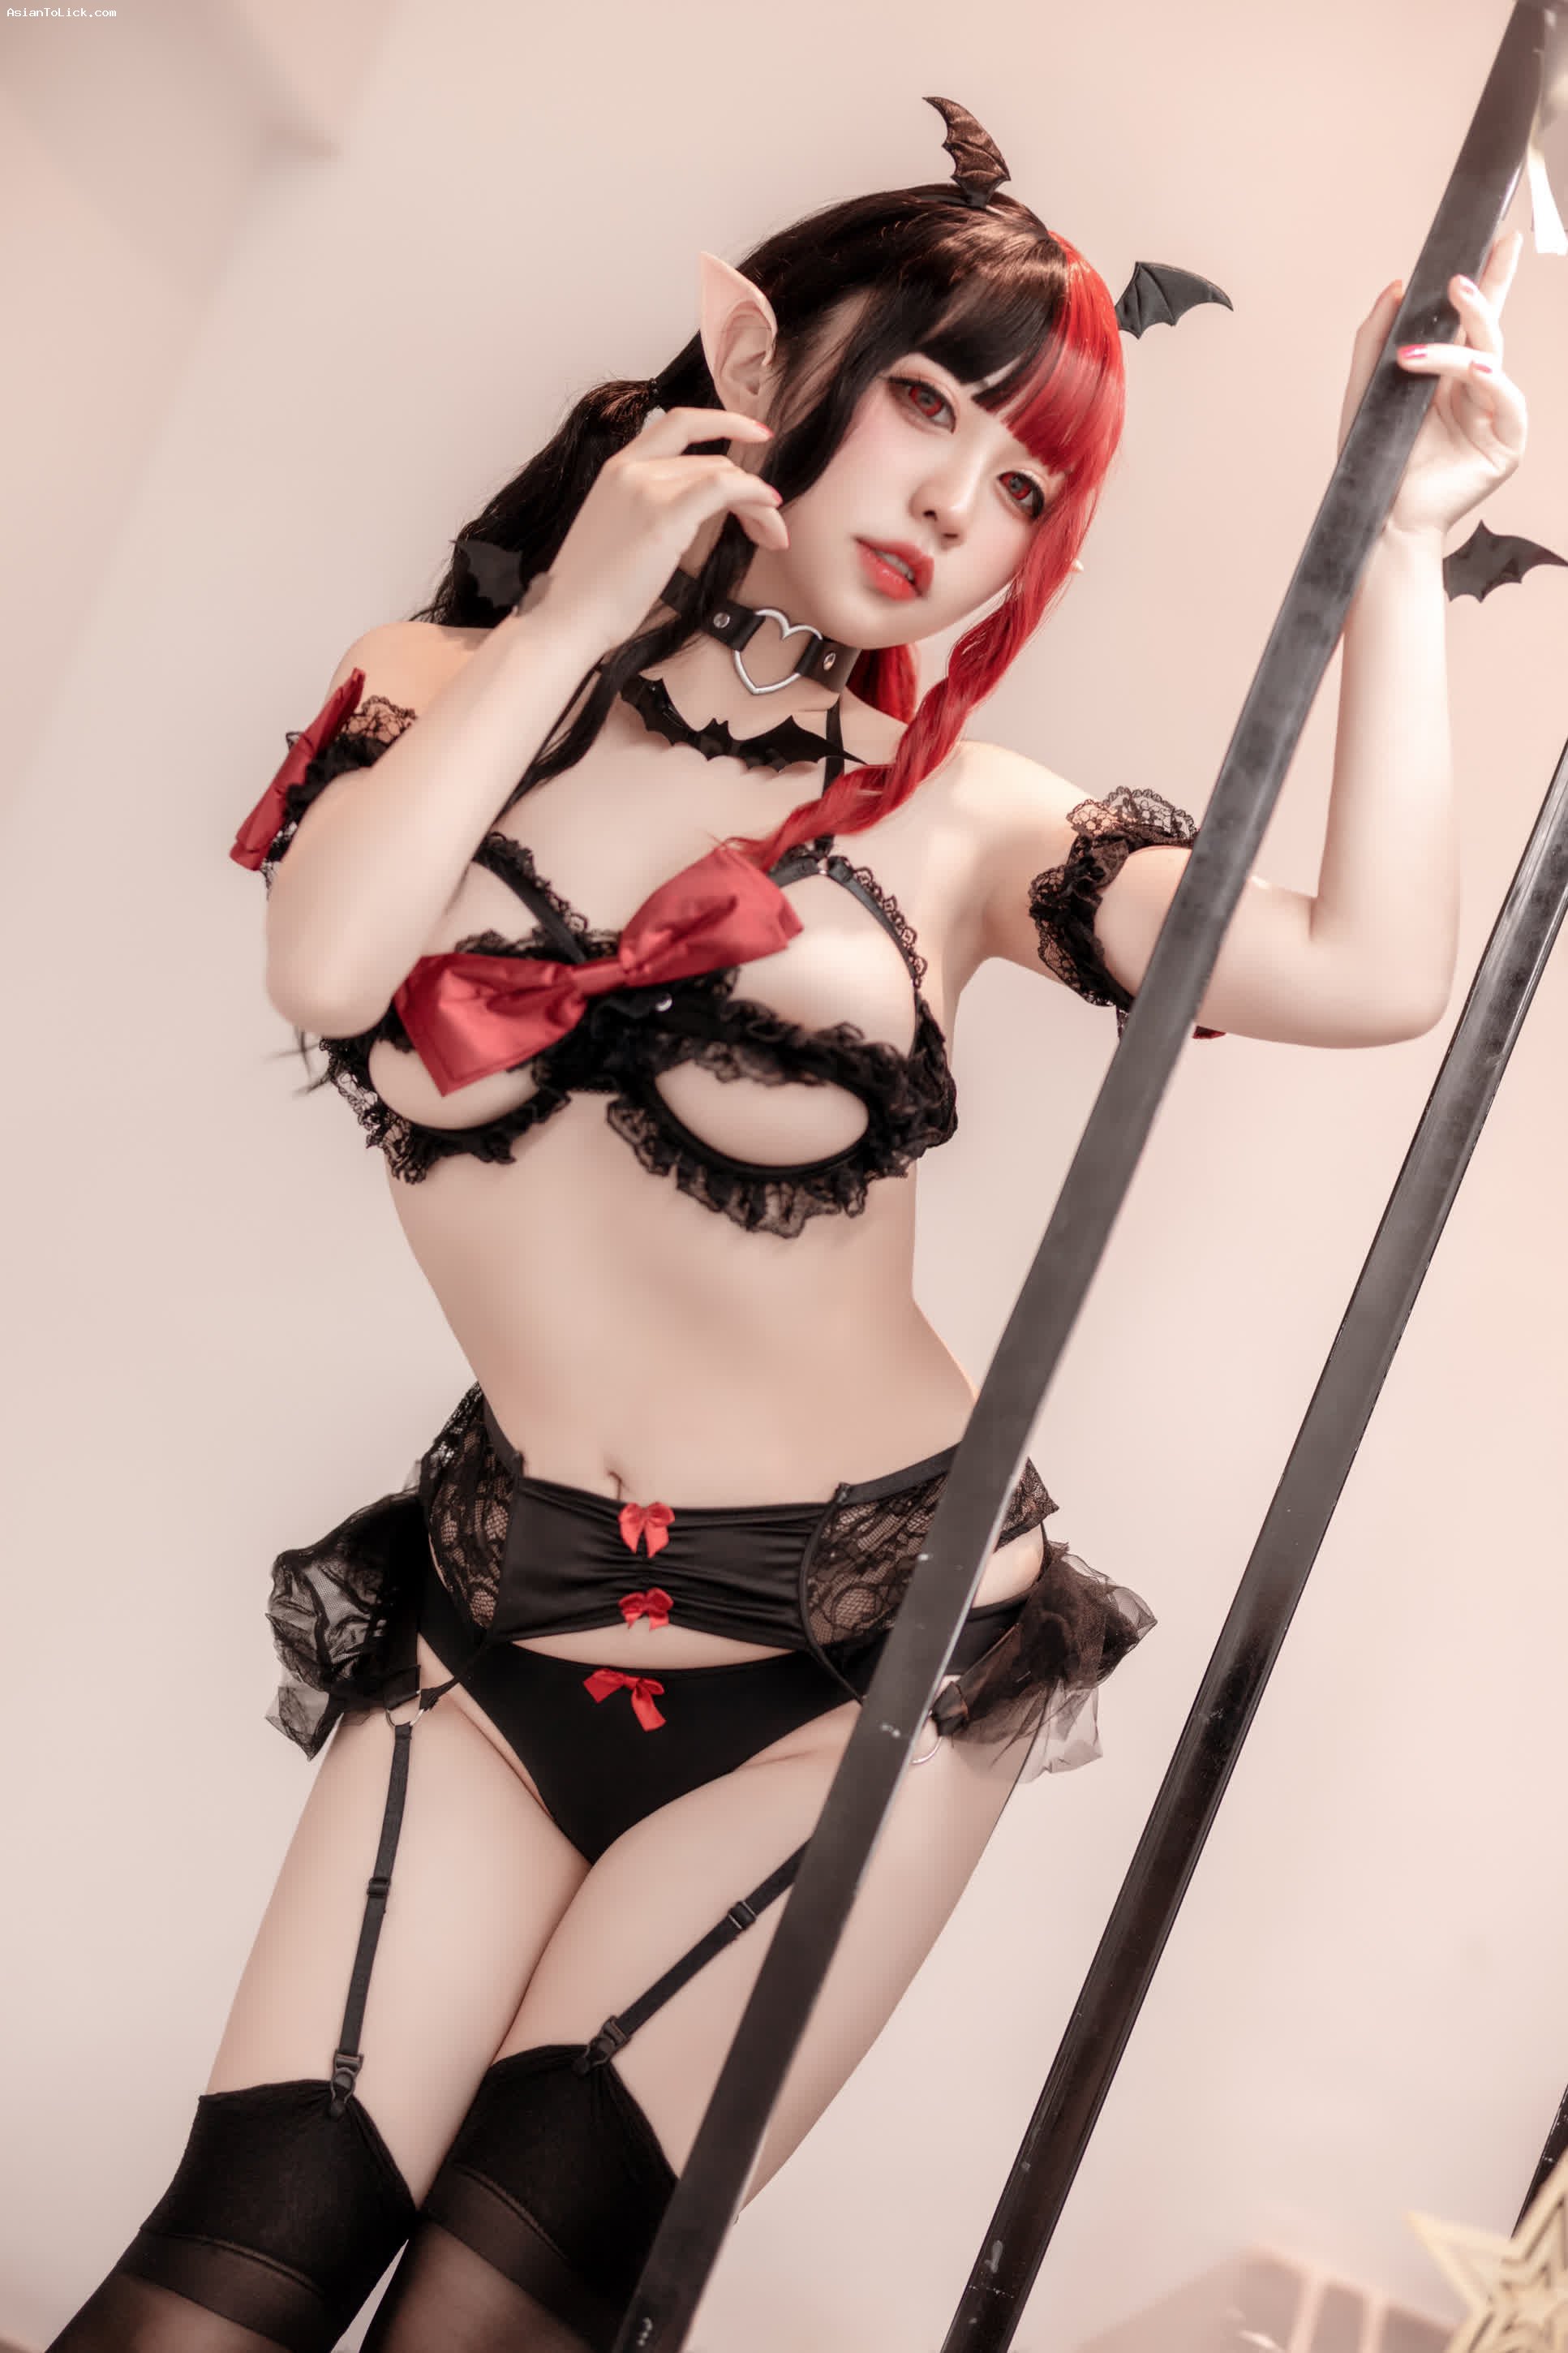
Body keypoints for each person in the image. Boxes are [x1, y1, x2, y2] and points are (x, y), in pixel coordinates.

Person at [49, 94, 1526, 2353]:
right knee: (231, 2272)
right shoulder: (439, 697)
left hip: (863, 1656)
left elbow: (1369, 967)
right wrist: (579, 602)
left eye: (1021, 485)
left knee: (486, 2318)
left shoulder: (964, 827)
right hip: (493, 1613)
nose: (953, 504)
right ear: (761, 358)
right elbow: (332, 965)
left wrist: (1402, 552)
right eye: (926, 403)